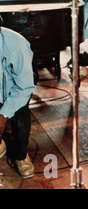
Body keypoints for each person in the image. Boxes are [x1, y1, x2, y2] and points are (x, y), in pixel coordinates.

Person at [0, 14, 36, 179]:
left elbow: (24, 87)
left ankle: (21, 156)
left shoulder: (17, 44)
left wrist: (3, 114)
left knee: (20, 121)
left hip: (14, 92)